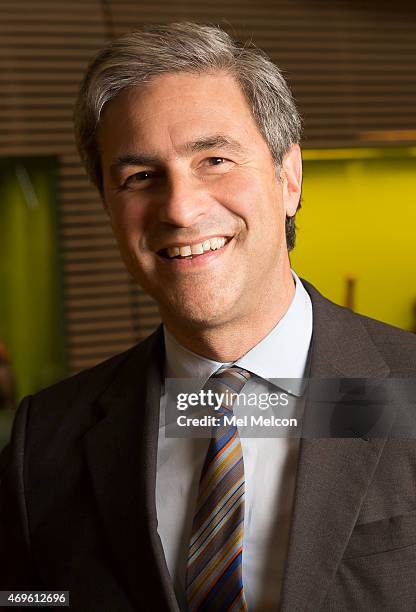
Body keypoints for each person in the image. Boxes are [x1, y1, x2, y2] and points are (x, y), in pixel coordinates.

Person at [1, 22, 415, 612]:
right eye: (140, 177)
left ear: (289, 177)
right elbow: (26, 598)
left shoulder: (409, 391)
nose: (180, 207)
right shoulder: (46, 438)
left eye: (215, 159)